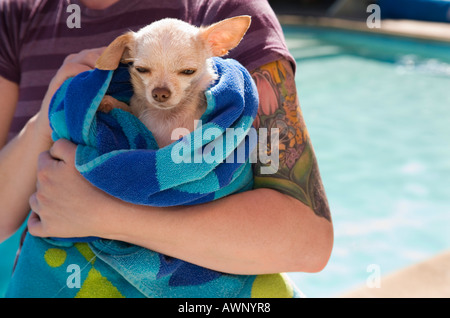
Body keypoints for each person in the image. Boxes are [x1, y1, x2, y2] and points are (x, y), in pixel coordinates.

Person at [0, 0, 332, 282]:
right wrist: (52, 111)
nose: (161, 92)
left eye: (186, 72)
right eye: (142, 70)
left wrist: (107, 216)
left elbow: (308, 242)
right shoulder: (16, 15)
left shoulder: (226, 8)